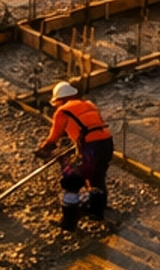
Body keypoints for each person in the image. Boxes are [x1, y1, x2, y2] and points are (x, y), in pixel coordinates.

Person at [38, 79, 113, 229]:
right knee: (96, 178)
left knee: (71, 182)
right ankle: (97, 212)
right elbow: (92, 127)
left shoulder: (62, 111)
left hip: (89, 148)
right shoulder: (89, 104)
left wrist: (44, 149)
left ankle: (69, 224)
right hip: (107, 143)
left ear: (59, 100)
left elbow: (54, 138)